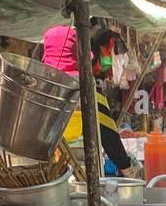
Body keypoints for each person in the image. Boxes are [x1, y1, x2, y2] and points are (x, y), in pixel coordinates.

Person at [38, 23, 133, 175]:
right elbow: (110, 139)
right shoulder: (90, 92)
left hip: (46, 177)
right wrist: (128, 169)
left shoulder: (38, 91)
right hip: (83, 178)